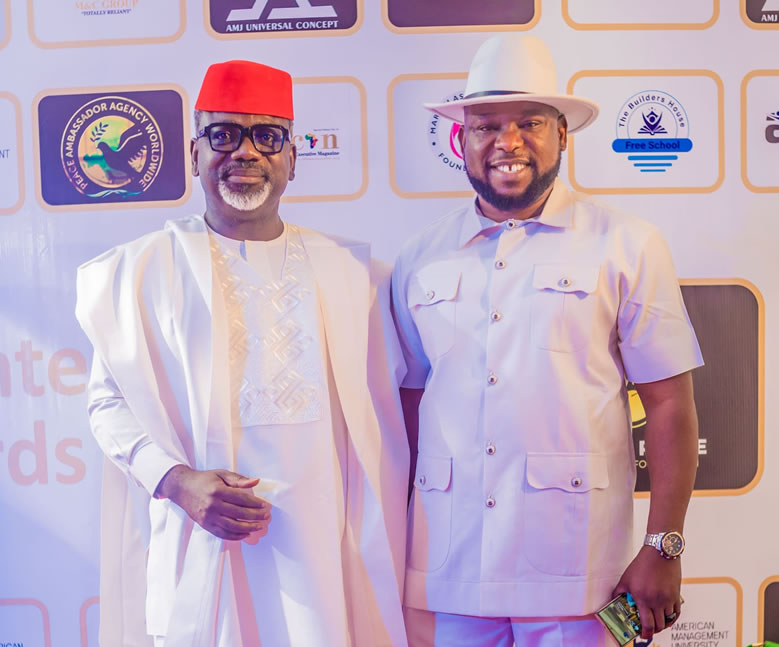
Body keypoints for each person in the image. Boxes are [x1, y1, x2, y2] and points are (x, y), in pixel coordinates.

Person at [76, 60, 409, 647]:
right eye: (224, 134)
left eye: (267, 136)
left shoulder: (355, 275)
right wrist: (175, 482)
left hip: (323, 555)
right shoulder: (142, 272)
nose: (246, 152)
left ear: (293, 158)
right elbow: (107, 404)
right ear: (194, 153)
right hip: (203, 543)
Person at [391, 35, 703, 647]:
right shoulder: (419, 257)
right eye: (487, 126)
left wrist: (663, 546)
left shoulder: (627, 245)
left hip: (578, 576)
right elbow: (408, 406)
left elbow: (669, 404)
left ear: (562, 135)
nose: (507, 142)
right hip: (449, 573)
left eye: (529, 123)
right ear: (462, 140)